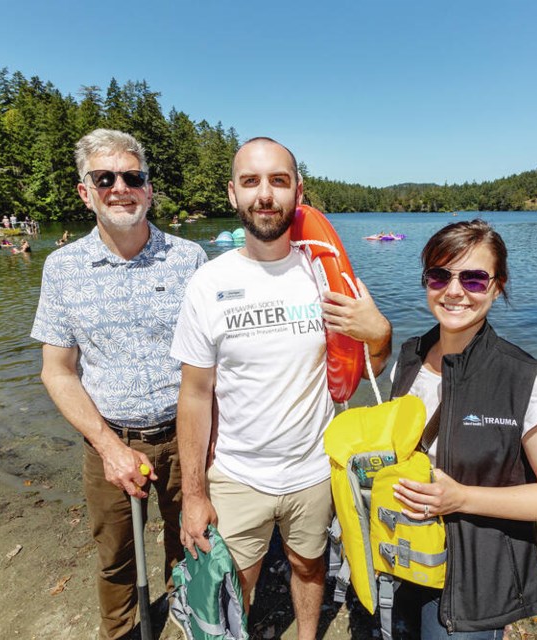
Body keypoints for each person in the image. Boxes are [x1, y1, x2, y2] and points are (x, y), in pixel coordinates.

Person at [171, 137, 392, 640]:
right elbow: (195, 394)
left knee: (310, 568)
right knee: (232, 584)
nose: (264, 195)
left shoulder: (325, 276)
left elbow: (368, 369)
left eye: (278, 180)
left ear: (298, 191)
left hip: (313, 471)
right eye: (251, 182)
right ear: (233, 194)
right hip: (237, 472)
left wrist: (380, 334)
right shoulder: (209, 282)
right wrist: (194, 494)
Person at [32, 128, 207, 640]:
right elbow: (57, 370)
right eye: (104, 178)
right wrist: (108, 447)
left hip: (187, 436)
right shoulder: (62, 268)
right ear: (85, 191)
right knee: (114, 559)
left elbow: (213, 359)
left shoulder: (190, 259)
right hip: (110, 438)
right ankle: (119, 633)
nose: (120, 188)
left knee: (191, 542)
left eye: (133, 176)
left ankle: (186, 623)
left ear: (149, 189)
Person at [388, 220, 537, 638]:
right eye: (439, 275)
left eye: (474, 278)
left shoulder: (526, 380)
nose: (454, 291)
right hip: (406, 557)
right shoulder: (408, 358)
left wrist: (461, 498)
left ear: (497, 286)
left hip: (474, 578)